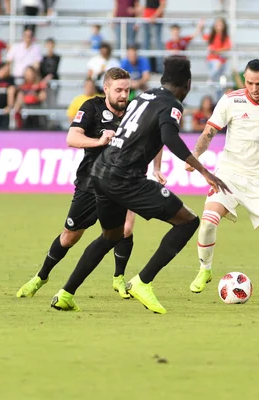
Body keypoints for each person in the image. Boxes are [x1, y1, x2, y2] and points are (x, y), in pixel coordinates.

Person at [50, 56, 230, 314]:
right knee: (188, 221)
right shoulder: (172, 105)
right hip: (126, 179)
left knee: (111, 235)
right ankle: (143, 282)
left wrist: (154, 166)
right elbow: (169, 136)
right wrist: (204, 171)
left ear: (162, 79)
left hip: (100, 172)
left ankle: (66, 293)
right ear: (187, 84)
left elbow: (146, 134)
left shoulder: (145, 96)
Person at [17, 68, 166, 299]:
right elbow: (72, 138)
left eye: (127, 90)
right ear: (106, 88)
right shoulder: (91, 108)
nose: (123, 95)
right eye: (118, 90)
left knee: (124, 229)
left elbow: (156, 138)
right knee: (69, 236)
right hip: (90, 181)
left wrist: (156, 168)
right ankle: (41, 276)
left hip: (125, 181)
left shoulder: (136, 110)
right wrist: (99, 141)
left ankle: (118, 277)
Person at [186, 59, 259, 305]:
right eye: (249, 82)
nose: (254, 88)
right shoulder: (231, 100)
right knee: (208, 222)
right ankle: (205, 269)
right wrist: (196, 155)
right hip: (229, 176)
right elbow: (209, 132)